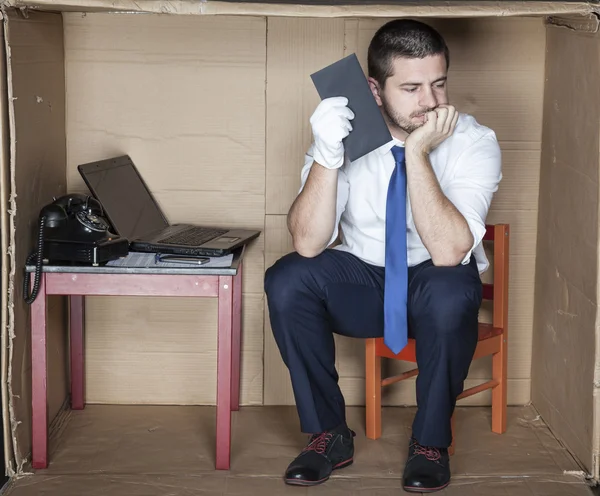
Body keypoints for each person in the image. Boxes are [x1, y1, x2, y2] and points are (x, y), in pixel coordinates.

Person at [264, 18, 502, 493]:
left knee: (451, 287)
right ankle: (329, 436)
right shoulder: (345, 133)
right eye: (411, 88)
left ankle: (430, 442)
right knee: (288, 278)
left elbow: (451, 250)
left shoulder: (474, 141)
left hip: (433, 288)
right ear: (375, 89)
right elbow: (309, 243)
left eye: (438, 83)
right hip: (362, 284)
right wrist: (328, 155)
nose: (431, 102)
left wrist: (417, 153)